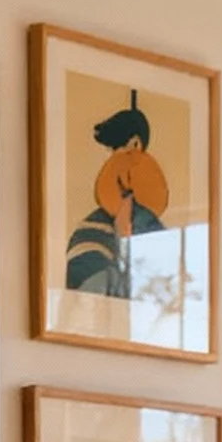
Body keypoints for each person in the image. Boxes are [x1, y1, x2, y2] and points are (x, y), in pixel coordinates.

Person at [65, 92, 170, 301]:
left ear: (136, 145)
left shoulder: (151, 229)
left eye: (119, 148)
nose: (114, 158)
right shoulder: (89, 232)